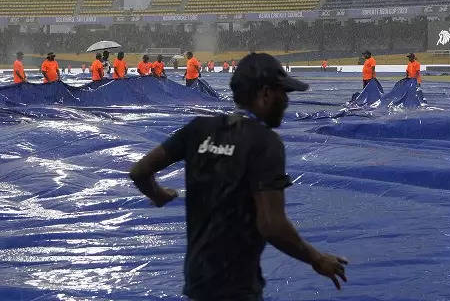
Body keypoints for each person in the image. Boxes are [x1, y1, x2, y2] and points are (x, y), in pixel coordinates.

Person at [128, 53, 348, 300]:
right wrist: (316, 258)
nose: (286, 101)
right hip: (237, 287)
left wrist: (158, 194)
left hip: (198, 281)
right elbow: (271, 225)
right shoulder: (265, 143)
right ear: (265, 94)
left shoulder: (198, 129)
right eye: (282, 93)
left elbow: (140, 171)